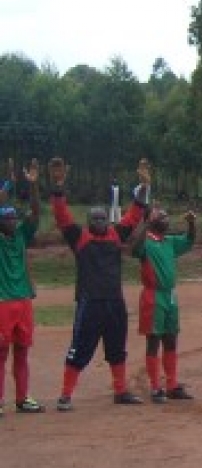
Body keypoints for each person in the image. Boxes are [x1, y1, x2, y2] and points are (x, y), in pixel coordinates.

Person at [51, 158, 149, 411]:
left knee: (117, 349)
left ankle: (120, 391)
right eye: (94, 218)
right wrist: (58, 187)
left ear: (107, 220)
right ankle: (65, 395)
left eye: (102, 218)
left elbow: (134, 214)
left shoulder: (116, 235)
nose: (98, 221)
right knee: (79, 350)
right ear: (87, 222)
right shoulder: (80, 238)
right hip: (90, 302)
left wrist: (144, 186)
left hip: (114, 302)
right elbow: (62, 216)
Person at [132, 201, 197, 402]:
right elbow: (134, 248)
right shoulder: (146, 242)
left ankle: (171, 384)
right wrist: (144, 221)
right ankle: (155, 387)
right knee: (154, 340)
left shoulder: (169, 241)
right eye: (160, 216)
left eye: (166, 216)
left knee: (171, 339)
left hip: (170, 296)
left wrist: (192, 224)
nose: (165, 219)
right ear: (150, 220)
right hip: (153, 296)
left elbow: (189, 240)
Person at [0, 159, 42, 415]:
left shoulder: (21, 235)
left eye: (15, 217)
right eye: (8, 218)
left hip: (23, 301)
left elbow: (35, 212)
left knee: (22, 352)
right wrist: (9, 183)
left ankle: (22, 398)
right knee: (1, 353)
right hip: (2, 303)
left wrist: (34, 186)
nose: (14, 220)